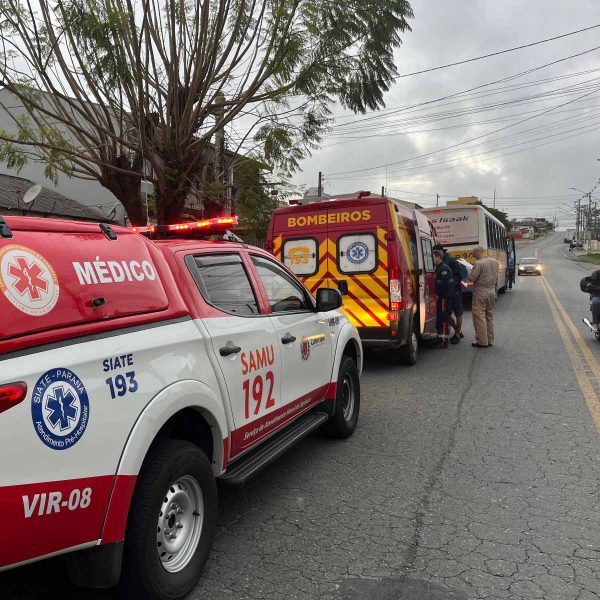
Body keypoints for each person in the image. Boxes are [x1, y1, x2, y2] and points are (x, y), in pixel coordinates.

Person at [433, 244, 465, 343]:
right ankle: (457, 331)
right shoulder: (438, 264)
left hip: (454, 291)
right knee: (445, 314)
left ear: (440, 252)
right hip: (447, 292)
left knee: (458, 312)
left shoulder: (451, 260)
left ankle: (457, 335)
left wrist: (450, 284)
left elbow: (460, 276)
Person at [468, 247, 499, 348]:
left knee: (479, 316)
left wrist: (468, 270)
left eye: (473, 254)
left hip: (480, 292)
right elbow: (496, 278)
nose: (473, 256)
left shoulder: (479, 264)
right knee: (489, 316)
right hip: (491, 292)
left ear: (478, 252)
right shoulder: (495, 262)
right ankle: (490, 340)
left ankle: (482, 341)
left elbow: (472, 278)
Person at [432, 250, 455, 349]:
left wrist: (437, 294)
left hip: (444, 297)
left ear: (438, 257)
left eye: (433, 258)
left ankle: (444, 341)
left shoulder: (443, 269)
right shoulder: (439, 268)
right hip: (442, 297)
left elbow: (443, 285)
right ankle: (441, 339)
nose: (432, 260)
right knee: (441, 319)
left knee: (443, 319)